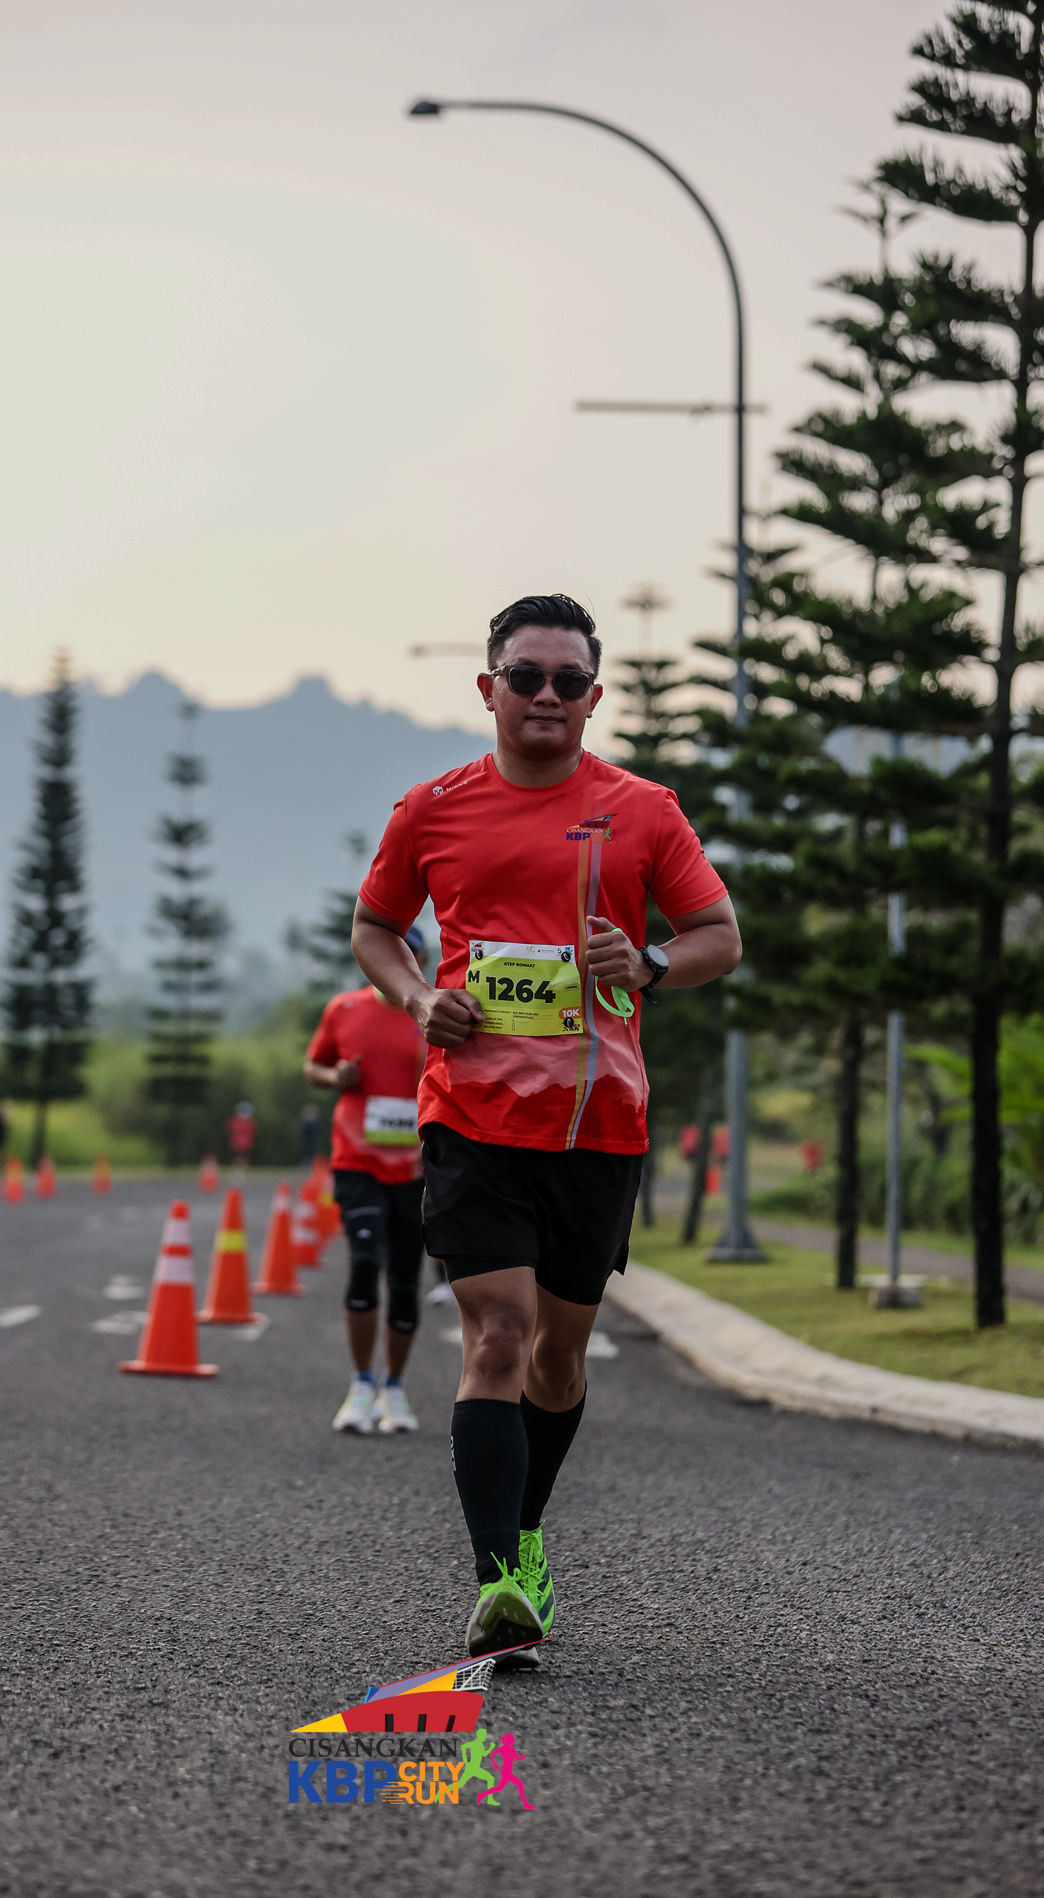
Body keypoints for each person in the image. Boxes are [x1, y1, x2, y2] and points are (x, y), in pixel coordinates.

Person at [351, 593, 741, 1663]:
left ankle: (524, 1538)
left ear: (593, 697)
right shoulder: (431, 808)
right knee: (497, 1336)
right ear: (489, 688)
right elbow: (376, 927)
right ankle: (495, 1584)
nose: (546, 696)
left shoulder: (642, 810)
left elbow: (717, 933)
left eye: (568, 681)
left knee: (557, 1362)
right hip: (473, 1116)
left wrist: (649, 962)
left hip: (596, 1124)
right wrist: (416, 996)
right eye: (525, 676)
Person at [305, 927, 429, 1435]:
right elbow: (313, 1065)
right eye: (392, 953)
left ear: (423, 959)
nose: (401, 962)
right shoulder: (345, 1009)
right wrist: (336, 1078)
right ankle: (360, 1384)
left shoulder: (433, 1013)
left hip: (416, 1169)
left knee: (404, 1280)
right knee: (364, 1263)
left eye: (411, 954)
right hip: (356, 1161)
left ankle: (393, 1389)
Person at [227, 1101, 257, 1169]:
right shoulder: (248, 1121)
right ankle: (240, 1167)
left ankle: (241, 1168)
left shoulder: (238, 1121)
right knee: (241, 1156)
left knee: (242, 1156)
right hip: (240, 1142)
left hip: (241, 1142)